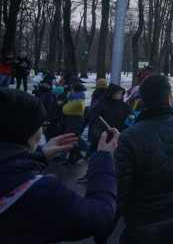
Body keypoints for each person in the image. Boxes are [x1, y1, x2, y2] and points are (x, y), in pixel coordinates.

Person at [0, 86, 119, 242]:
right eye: (40, 126)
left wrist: (39, 155)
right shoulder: (41, 192)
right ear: (23, 132)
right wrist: (104, 158)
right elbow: (100, 216)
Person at [114, 74, 173, 243]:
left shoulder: (128, 137)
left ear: (142, 101)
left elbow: (121, 190)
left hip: (143, 224)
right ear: (169, 99)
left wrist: (105, 227)